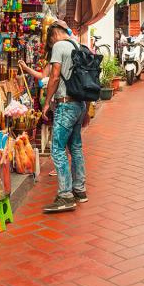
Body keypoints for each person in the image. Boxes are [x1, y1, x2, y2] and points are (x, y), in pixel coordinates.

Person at [41, 19, 88, 212]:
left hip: (65, 103)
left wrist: (46, 102)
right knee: (75, 147)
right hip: (79, 103)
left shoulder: (59, 45)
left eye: (49, 42)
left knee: (58, 149)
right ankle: (80, 189)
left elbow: (54, 76)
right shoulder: (78, 44)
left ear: (54, 34)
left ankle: (65, 195)